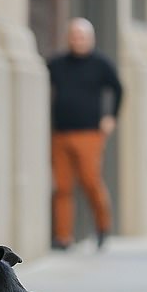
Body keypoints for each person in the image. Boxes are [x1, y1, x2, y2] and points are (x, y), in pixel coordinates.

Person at [47, 17, 122, 250]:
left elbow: (118, 88)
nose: (78, 40)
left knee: (91, 182)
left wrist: (111, 117)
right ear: (69, 38)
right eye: (74, 36)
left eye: (82, 37)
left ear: (91, 39)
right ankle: (63, 237)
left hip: (89, 134)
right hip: (60, 134)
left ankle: (102, 227)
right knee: (62, 187)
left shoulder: (101, 64)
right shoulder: (57, 64)